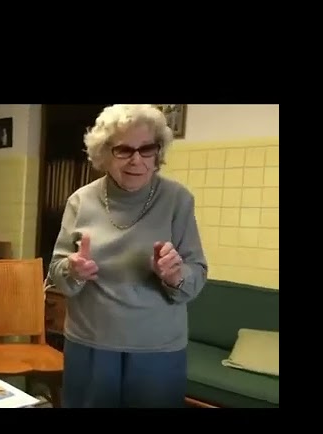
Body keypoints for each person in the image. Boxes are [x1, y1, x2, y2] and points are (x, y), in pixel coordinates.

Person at [47, 104, 207, 408]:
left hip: (157, 351)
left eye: (147, 149)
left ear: (158, 152)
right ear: (104, 153)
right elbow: (57, 270)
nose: (137, 159)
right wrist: (72, 270)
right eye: (124, 150)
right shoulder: (80, 200)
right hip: (91, 345)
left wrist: (175, 276)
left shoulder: (178, 200)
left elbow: (196, 274)